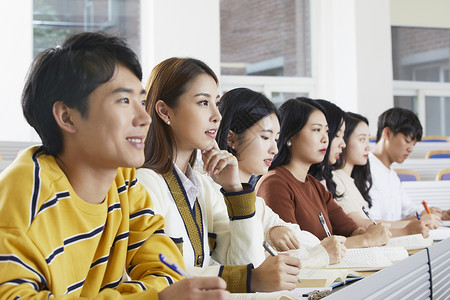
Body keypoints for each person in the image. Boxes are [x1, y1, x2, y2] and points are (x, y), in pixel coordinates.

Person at [0, 33, 229, 299]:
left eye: (141, 102)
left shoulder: (123, 182)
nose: (144, 118)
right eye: (123, 101)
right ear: (67, 116)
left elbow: (168, 270)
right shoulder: (23, 198)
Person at [136, 57, 301, 293]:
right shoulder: (145, 183)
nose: (217, 115)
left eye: (217, 103)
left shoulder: (202, 186)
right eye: (203, 103)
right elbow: (164, 278)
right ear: (164, 111)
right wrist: (247, 279)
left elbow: (247, 264)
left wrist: (235, 190)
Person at [216, 88, 346, 266]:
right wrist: (319, 255)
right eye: (265, 137)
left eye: (275, 139)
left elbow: (301, 237)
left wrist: (272, 231)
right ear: (231, 139)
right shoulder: (213, 194)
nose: (274, 149)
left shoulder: (255, 201)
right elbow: (249, 267)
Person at [256, 97, 391, 248]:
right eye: (316, 130)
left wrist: (366, 233)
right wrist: (366, 239)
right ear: (290, 136)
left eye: (326, 131)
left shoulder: (314, 184)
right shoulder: (274, 183)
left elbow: (350, 230)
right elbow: (295, 250)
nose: (325, 139)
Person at [332, 112, 430, 237]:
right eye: (362, 139)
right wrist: (410, 226)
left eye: (368, 139)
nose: (368, 147)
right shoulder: (337, 178)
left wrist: (421, 218)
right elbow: (362, 224)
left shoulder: (353, 179)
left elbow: (406, 208)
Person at [369, 107, 449, 223]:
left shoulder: (391, 175)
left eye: (414, 144)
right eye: (407, 141)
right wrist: (418, 219)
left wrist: (438, 214)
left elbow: (409, 210)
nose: (411, 149)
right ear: (387, 133)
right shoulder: (366, 170)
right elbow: (372, 223)